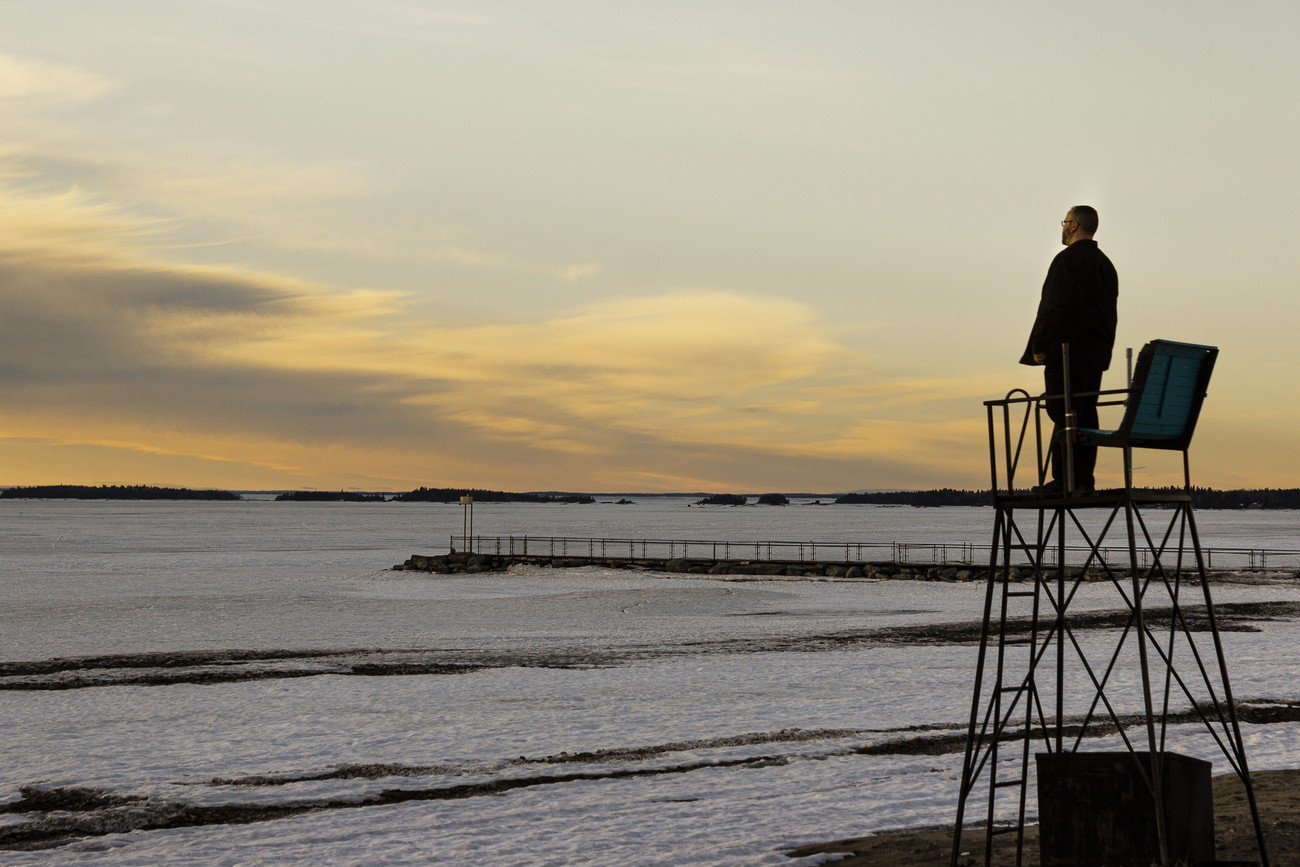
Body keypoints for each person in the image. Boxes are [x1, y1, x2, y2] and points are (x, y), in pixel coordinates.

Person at [1020, 205, 1118, 494]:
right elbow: (1107, 314)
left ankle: (1065, 480)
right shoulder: (1105, 265)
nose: (1062, 227)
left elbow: (1052, 307)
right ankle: (1083, 479)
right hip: (1095, 356)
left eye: (1065, 222)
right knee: (1086, 412)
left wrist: (1040, 345)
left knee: (1061, 411)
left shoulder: (1067, 261)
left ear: (1074, 225)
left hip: (1066, 353)